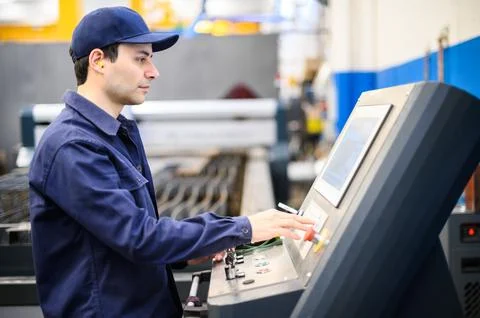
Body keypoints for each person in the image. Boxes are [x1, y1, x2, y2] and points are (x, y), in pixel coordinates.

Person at [28, 6, 314, 318]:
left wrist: (190, 252)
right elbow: (139, 237)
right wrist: (243, 228)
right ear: (98, 60)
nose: (153, 71)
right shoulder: (74, 146)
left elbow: (129, 238)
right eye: (141, 58)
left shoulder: (118, 133)